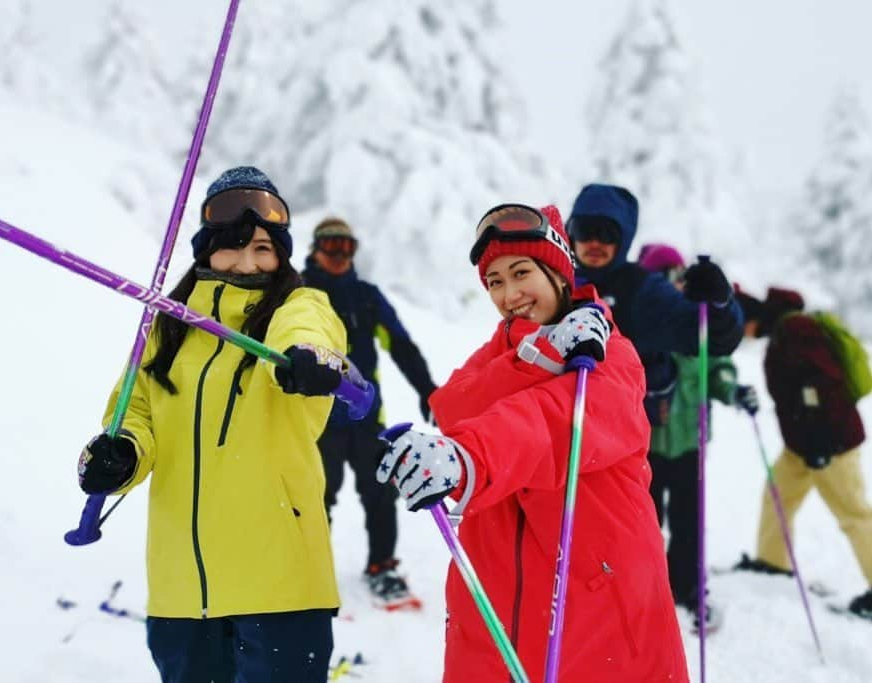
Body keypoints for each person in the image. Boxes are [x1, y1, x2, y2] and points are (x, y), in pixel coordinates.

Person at [376, 204, 688, 681]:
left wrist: (469, 457)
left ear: (560, 273)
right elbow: (453, 406)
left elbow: (552, 423)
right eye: (494, 281)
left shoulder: (609, 354)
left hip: (594, 587)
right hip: (494, 587)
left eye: (521, 272)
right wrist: (538, 356)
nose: (509, 293)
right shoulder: (505, 351)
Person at [76, 166, 349, 682]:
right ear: (207, 250)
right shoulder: (166, 328)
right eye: (233, 245)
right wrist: (123, 455)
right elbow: (133, 412)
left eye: (264, 249)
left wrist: (304, 358)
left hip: (281, 583)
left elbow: (308, 331)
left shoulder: (298, 307)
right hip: (182, 588)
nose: (248, 261)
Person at [302, 216, 437, 607]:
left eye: (348, 246)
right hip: (315, 418)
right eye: (332, 246)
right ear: (315, 248)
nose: (340, 254)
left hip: (365, 418)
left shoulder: (366, 296)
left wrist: (427, 389)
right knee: (313, 496)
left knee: (380, 494)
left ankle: (382, 566)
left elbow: (401, 346)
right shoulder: (300, 292)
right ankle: (309, 571)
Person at [733, 286, 872, 621]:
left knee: (853, 514)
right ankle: (773, 562)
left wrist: (822, 442)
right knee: (777, 496)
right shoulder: (784, 331)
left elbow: (826, 385)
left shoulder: (795, 330)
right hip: (803, 446)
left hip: (829, 443)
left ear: (751, 318)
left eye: (740, 327)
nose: (741, 335)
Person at [638, 243, 758, 624]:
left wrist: (731, 389)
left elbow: (717, 366)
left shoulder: (695, 319)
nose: (671, 282)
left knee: (689, 522)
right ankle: (642, 591)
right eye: (662, 276)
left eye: (676, 274)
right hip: (645, 446)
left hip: (690, 441)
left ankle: (686, 588)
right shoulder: (639, 318)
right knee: (644, 524)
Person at [565, 184, 744, 420]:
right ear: (571, 233)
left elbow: (711, 337)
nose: (595, 242)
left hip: (622, 433)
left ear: (624, 239)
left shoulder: (641, 290)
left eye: (608, 233)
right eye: (585, 230)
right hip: (556, 428)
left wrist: (719, 305)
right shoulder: (551, 282)